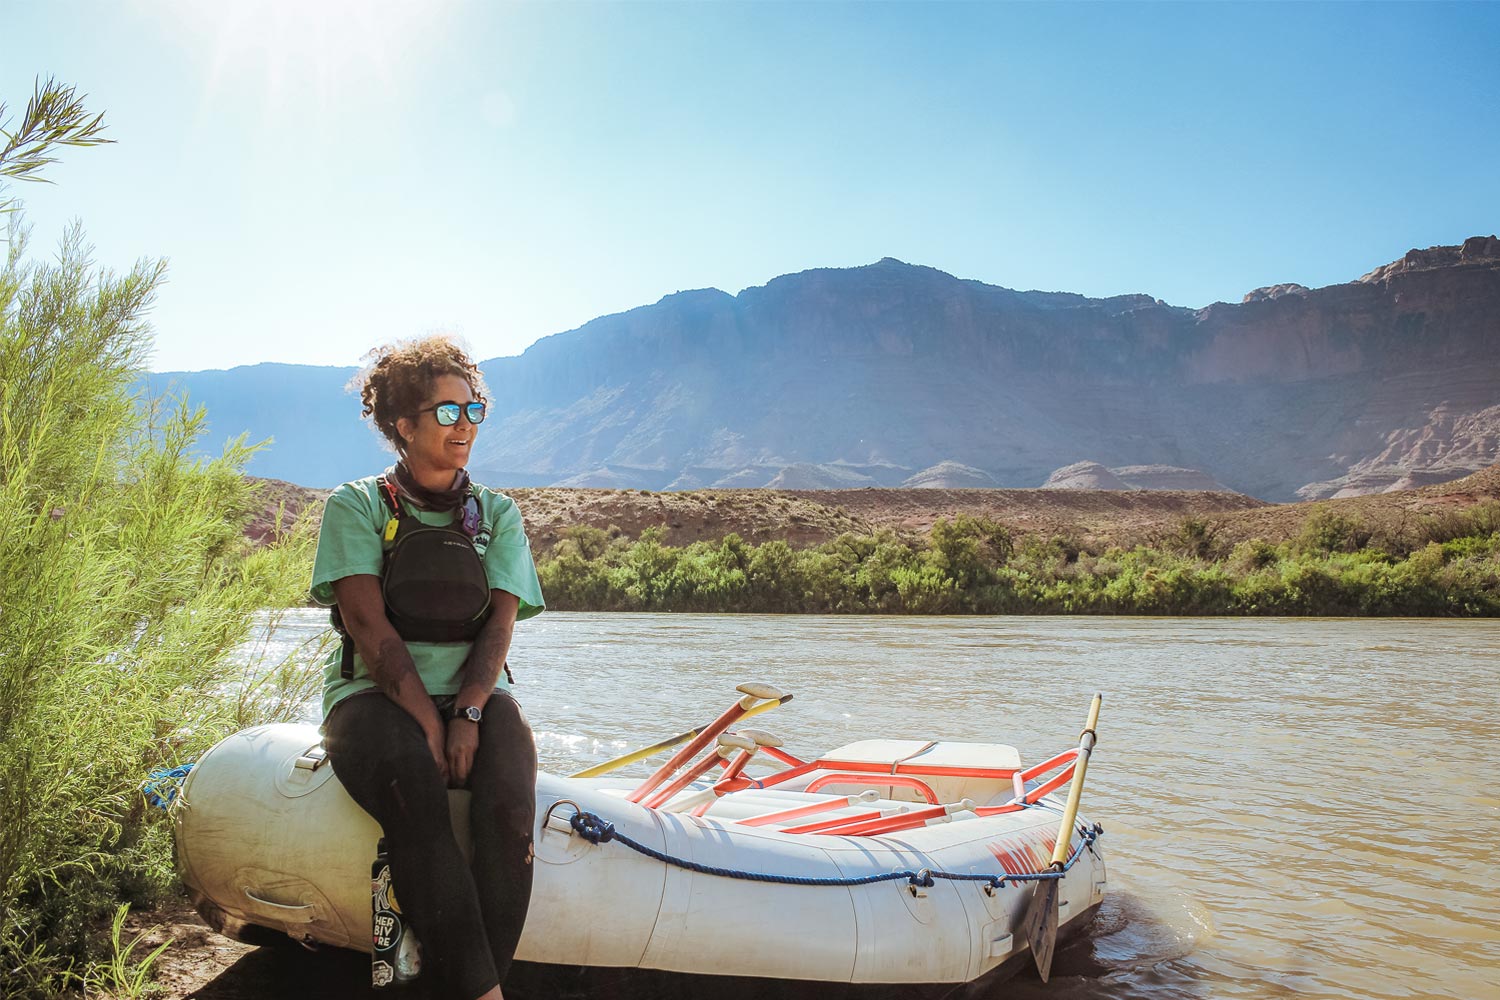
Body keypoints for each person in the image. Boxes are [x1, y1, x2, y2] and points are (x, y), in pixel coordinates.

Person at [310, 335, 545, 1000]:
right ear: (403, 425)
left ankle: (474, 986)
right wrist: (424, 720)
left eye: (473, 411)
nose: (464, 426)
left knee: (506, 809)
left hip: (475, 692)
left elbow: (499, 626)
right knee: (415, 786)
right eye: (446, 413)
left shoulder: (495, 514)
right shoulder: (357, 506)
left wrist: (469, 712)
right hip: (372, 698)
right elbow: (366, 623)